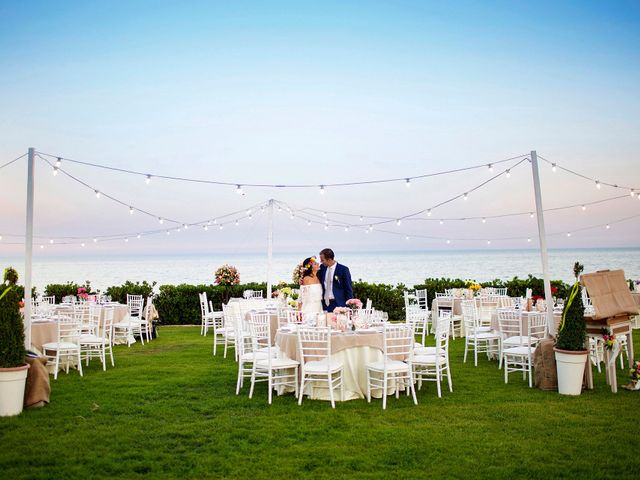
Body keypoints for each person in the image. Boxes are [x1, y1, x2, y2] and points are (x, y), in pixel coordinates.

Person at [317, 248, 353, 312]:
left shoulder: (343, 269)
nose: (321, 262)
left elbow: (348, 288)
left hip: (338, 304)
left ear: (329, 259)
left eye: (322, 260)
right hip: (324, 304)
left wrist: (348, 306)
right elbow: (314, 278)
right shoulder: (322, 268)